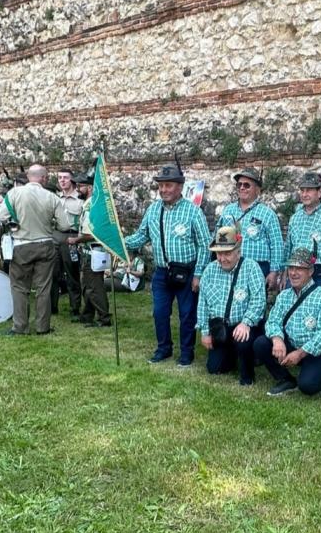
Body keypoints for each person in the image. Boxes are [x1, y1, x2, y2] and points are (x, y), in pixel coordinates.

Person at [124, 162, 211, 366]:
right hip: (162, 273)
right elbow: (141, 237)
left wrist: (198, 274)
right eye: (161, 186)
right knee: (160, 312)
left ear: (180, 187)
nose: (163, 190)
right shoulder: (153, 210)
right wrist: (118, 242)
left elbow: (205, 245)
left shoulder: (193, 211)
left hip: (187, 271)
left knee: (187, 314)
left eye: (169, 185)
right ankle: (163, 348)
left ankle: (186, 353)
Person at [0, 164, 71, 335]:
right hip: (45, 244)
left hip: (22, 244)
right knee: (43, 287)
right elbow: (65, 225)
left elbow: (1, 216)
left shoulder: (14, 193)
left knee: (19, 287)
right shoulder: (52, 197)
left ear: (28, 177)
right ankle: (43, 327)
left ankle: (20, 326)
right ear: (44, 178)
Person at [254, 247, 321, 396]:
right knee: (261, 343)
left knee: (307, 387)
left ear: (310, 271)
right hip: (291, 345)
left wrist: (299, 354)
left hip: (315, 352)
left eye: (299, 268)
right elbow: (272, 321)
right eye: (291, 267)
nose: (293, 273)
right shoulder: (284, 296)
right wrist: (277, 340)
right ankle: (285, 379)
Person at [197, 225, 266, 385]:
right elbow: (202, 304)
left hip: (243, 326)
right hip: (220, 328)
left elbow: (259, 301)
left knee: (243, 341)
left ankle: (248, 374)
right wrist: (205, 332)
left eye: (227, 253)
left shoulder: (251, 268)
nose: (222, 258)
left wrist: (246, 322)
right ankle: (232, 355)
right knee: (215, 369)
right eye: (219, 253)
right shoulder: (209, 270)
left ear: (238, 251)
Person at [217, 167, 283, 290]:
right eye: (239, 184)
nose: (242, 188)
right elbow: (218, 238)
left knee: (256, 305)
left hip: (258, 267)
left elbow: (277, 245)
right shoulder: (228, 210)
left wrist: (274, 272)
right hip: (231, 265)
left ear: (257, 189)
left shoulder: (267, 214)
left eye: (247, 185)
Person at [68, 171, 111, 328]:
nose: (77, 189)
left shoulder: (91, 206)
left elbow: (89, 234)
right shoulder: (92, 203)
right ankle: (87, 315)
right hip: (91, 251)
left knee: (94, 287)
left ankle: (104, 318)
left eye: (80, 186)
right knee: (87, 284)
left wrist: (75, 240)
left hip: (92, 251)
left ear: (91, 187)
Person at [284, 171, 321, 287]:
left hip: (319, 273)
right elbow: (288, 247)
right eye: (302, 190)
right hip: (295, 269)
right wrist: (284, 273)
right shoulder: (295, 218)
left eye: (309, 190)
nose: (304, 194)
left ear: (319, 192)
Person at [52, 167, 84, 320]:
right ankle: (52, 307)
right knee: (53, 273)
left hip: (72, 237)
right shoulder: (56, 198)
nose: (62, 180)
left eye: (65, 177)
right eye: (59, 178)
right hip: (56, 235)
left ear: (72, 179)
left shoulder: (80, 199)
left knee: (72, 273)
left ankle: (75, 307)